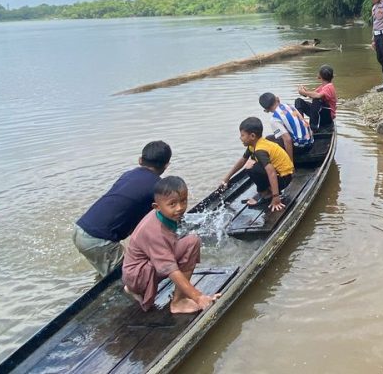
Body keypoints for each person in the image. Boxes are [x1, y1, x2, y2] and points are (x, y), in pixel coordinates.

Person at [73, 141, 172, 277]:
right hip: (99, 240)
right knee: (127, 277)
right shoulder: (158, 187)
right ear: (166, 165)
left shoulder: (128, 175)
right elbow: (159, 222)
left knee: (108, 274)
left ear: (140, 160)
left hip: (81, 230)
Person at [122, 176, 219, 313]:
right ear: (157, 207)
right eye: (172, 204)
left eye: (183, 201)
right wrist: (198, 297)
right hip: (138, 276)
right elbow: (169, 269)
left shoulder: (161, 215)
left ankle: (132, 287)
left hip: (134, 272)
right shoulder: (155, 231)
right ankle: (178, 302)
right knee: (189, 247)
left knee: (192, 241)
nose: (180, 208)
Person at [220, 117, 294, 212]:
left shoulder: (260, 150)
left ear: (252, 136)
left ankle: (267, 194)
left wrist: (276, 197)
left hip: (284, 179)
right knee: (251, 162)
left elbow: (271, 172)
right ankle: (268, 190)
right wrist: (227, 178)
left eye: (242, 135)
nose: (240, 138)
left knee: (251, 167)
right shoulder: (255, 145)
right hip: (282, 175)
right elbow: (242, 160)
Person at [259, 91, 314, 162]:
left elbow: (287, 139)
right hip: (310, 141)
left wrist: (290, 161)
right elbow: (303, 120)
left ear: (266, 110)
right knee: (273, 137)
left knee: (268, 140)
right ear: (277, 99)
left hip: (300, 147)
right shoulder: (289, 106)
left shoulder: (274, 119)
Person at [296, 64, 337, 130]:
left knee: (317, 100)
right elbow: (312, 95)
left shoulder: (329, 87)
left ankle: (314, 127)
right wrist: (304, 91)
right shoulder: (323, 86)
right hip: (321, 113)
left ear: (321, 75)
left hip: (327, 116)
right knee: (299, 102)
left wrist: (304, 92)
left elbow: (317, 95)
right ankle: (301, 125)